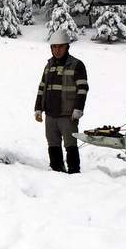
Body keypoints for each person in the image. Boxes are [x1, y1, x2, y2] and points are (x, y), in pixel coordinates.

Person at [34, 28, 88, 173]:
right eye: (54, 47)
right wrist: (38, 108)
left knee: (70, 145)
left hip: (68, 115)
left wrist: (78, 108)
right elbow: (42, 88)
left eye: (60, 47)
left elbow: (83, 89)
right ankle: (57, 170)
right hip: (50, 115)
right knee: (53, 145)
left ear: (67, 47)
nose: (57, 50)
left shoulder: (77, 65)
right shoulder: (49, 65)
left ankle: (74, 171)